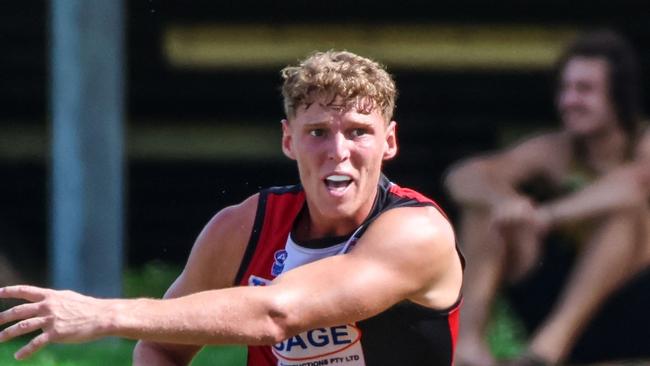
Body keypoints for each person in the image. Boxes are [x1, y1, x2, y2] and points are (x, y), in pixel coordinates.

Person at [0, 50, 464, 365]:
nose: (338, 151)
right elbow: (161, 348)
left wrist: (103, 314)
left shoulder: (416, 231)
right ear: (288, 140)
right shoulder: (243, 227)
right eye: (318, 132)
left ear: (390, 142)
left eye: (359, 131)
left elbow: (277, 314)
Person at [445, 30, 650, 366]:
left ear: (619, 96)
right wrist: (503, 202)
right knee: (484, 209)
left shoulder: (643, 140)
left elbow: (636, 184)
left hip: (632, 306)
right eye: (565, 89)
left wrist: (547, 215)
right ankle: (468, 345)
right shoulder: (554, 149)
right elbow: (463, 176)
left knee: (627, 214)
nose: (569, 101)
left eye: (584, 90)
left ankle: (545, 351)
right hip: (553, 295)